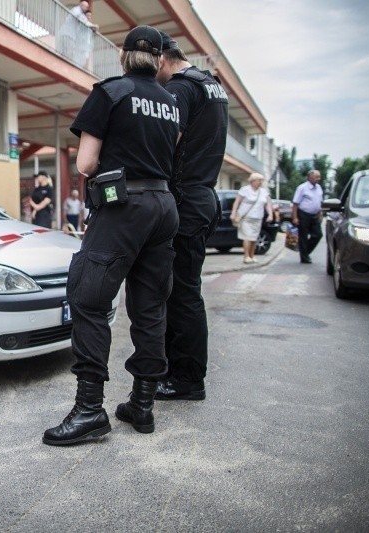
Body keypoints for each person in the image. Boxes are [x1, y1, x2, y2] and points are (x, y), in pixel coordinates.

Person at [43, 26, 179, 446]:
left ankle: (88, 410)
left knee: (88, 299)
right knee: (150, 306)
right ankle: (142, 403)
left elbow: (85, 163)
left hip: (123, 208)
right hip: (163, 205)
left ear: (122, 56)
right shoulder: (171, 102)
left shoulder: (111, 92)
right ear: (159, 59)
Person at [154, 31, 229, 402]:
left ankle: (186, 379)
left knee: (181, 294)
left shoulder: (181, 89)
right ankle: (179, 371)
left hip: (186, 200)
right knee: (184, 291)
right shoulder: (210, 83)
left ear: (161, 59)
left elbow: (168, 140)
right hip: (204, 196)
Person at [231, 173, 273, 264]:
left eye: (261, 181)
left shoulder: (263, 192)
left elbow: (268, 204)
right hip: (246, 218)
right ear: (253, 181)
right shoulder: (245, 190)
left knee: (254, 238)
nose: (261, 182)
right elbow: (237, 202)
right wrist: (233, 213)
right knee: (247, 237)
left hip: (258, 219)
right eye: (259, 180)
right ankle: (246, 257)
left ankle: (252, 256)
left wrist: (270, 215)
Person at [291, 169, 324, 264]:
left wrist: (320, 213)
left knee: (318, 235)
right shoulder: (302, 188)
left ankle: (304, 252)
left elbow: (319, 202)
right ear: (310, 177)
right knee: (303, 237)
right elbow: (295, 203)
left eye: (319, 177)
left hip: (314, 215)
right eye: (317, 177)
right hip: (303, 214)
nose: (319, 179)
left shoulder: (319, 188)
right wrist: (295, 217)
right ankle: (304, 257)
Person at [58, 1, 97, 68]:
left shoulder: (81, 14)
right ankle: (66, 65)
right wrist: (93, 26)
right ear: (81, 5)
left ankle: (65, 63)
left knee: (68, 50)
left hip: (70, 35)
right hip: (68, 34)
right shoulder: (76, 10)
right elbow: (83, 21)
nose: (86, 8)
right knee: (69, 50)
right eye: (86, 7)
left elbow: (85, 22)